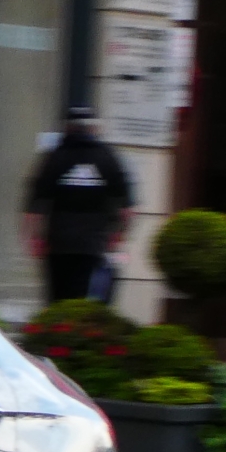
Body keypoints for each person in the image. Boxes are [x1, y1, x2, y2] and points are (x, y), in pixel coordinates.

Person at [23, 110, 134, 306]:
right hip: (94, 245)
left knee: (58, 303)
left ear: (67, 127)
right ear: (94, 127)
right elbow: (127, 209)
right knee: (88, 304)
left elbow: (34, 207)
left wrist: (35, 239)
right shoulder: (108, 157)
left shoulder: (54, 158)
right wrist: (118, 236)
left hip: (58, 244)